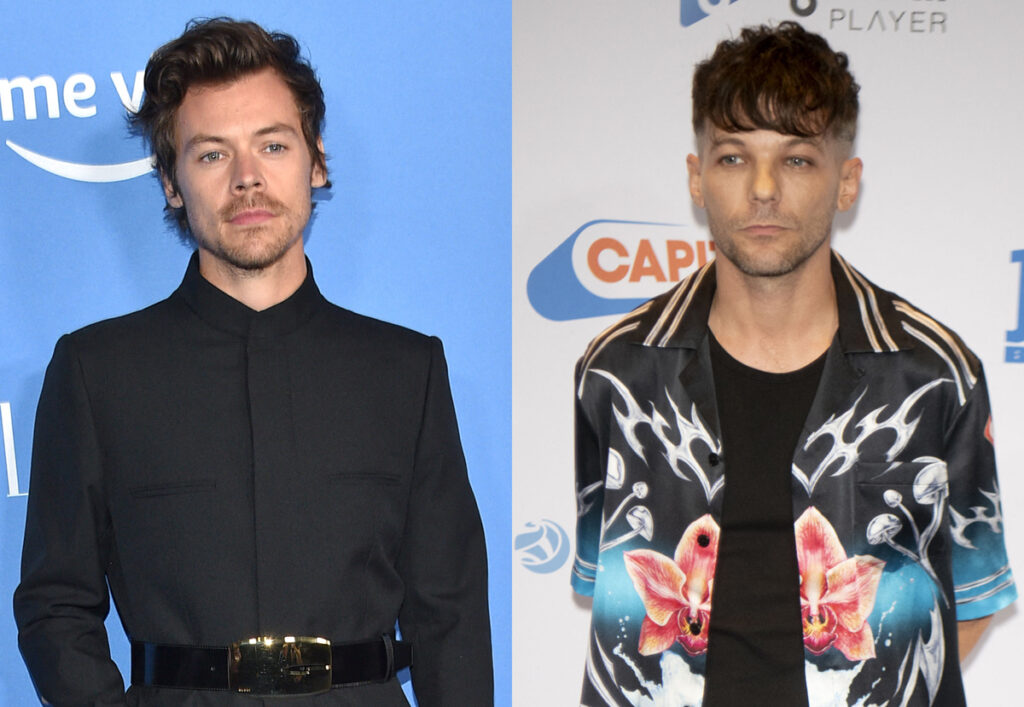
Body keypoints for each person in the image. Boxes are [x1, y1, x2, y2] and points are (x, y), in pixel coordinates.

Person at [14, 18, 492, 706]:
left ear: (315, 162)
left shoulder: (405, 371)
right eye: (212, 154)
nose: (247, 178)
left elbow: (450, 616)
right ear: (171, 182)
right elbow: (55, 604)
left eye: (272, 144)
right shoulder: (96, 373)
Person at [571, 22, 1014, 706]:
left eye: (798, 159)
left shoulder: (933, 374)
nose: (764, 188)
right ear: (696, 178)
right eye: (733, 158)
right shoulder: (618, 373)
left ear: (847, 182)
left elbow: (974, 597)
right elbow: (609, 588)